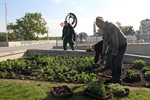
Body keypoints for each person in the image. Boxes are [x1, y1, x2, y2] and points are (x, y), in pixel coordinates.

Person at [95, 16, 127, 84]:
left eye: (98, 25)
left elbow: (116, 41)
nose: (98, 27)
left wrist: (115, 53)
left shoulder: (110, 27)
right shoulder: (104, 30)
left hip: (121, 44)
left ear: (101, 22)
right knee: (112, 61)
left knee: (118, 61)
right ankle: (113, 78)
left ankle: (118, 80)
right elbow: (105, 43)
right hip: (114, 45)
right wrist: (103, 54)